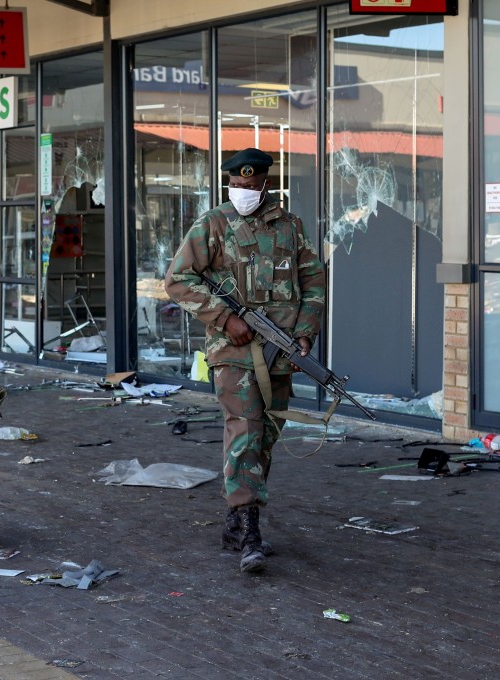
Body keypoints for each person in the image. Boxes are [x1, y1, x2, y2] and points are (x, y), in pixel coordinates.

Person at [164, 148, 326, 574]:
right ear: (228, 183)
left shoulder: (291, 227)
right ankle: (249, 531)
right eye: (237, 185)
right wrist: (224, 316)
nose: (244, 192)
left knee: (266, 435)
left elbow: (313, 281)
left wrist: (305, 332)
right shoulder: (213, 224)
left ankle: (236, 521)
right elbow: (177, 280)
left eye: (251, 186)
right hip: (232, 352)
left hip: (280, 352)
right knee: (246, 430)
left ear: (265, 185)